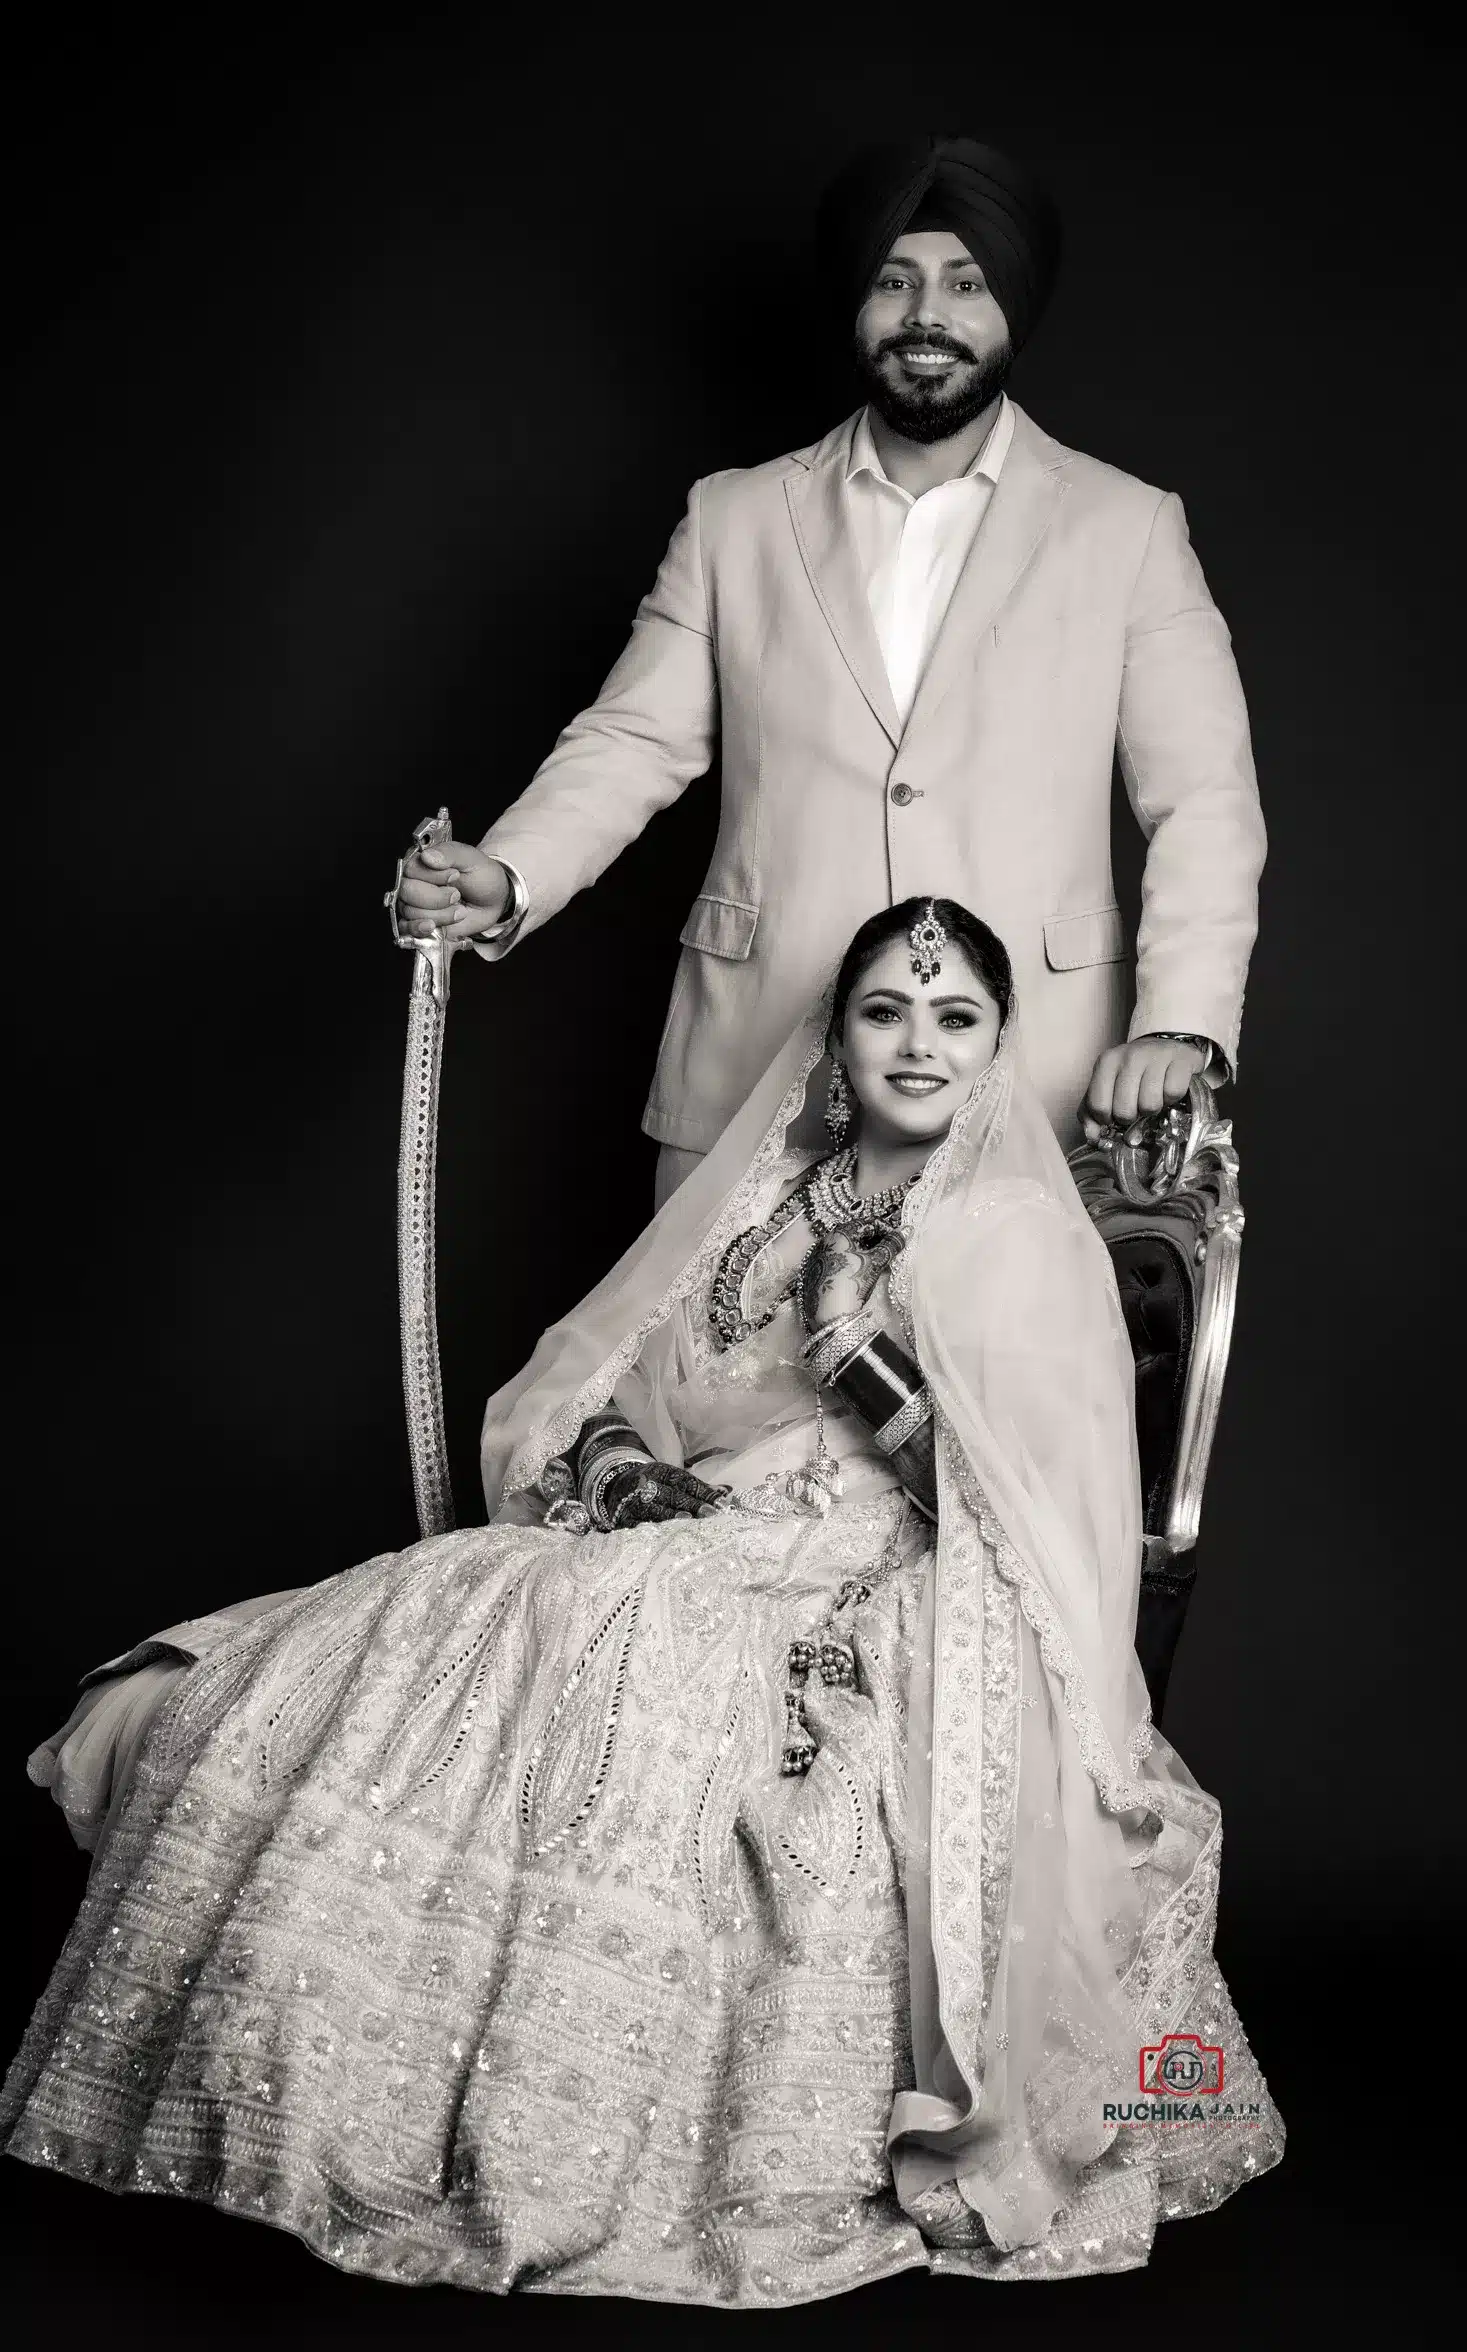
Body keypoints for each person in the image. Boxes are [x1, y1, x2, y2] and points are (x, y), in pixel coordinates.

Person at [4, 897, 1282, 2298]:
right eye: (883, 1011)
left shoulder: (1005, 1232)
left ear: (993, 1046)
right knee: (457, 1608)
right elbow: (621, 1374)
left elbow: (1024, 1517)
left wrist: (860, 1356)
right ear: (832, 1035)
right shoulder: (777, 1193)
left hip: (865, 1572)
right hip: (695, 1531)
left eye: (954, 1016)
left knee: (604, 1644)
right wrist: (616, 1470)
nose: (916, 1042)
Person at [391, 135, 1266, 1205]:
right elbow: (634, 739)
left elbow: (1206, 804)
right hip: (756, 1065)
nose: (925, 316)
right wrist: (511, 871)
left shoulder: (1128, 528)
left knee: (991, 1379)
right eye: (893, 282)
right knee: (706, 1377)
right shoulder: (735, 518)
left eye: (965, 282)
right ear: (856, 301)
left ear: (1013, 305)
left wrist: (1179, 1024)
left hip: (1038, 1086)